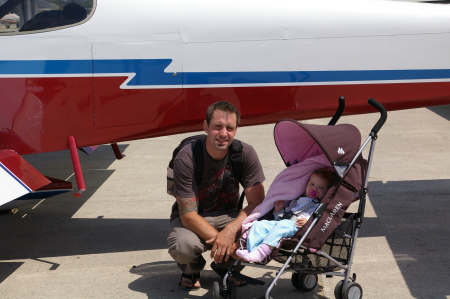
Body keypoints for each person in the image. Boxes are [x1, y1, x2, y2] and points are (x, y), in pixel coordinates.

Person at [167, 101, 266, 290]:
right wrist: (222, 240)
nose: (223, 134)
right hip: (195, 216)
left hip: (229, 215)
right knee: (183, 246)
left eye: (230, 128)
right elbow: (188, 215)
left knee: (259, 233)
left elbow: (257, 201)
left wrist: (230, 230)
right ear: (205, 126)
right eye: (217, 127)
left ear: (236, 129)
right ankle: (191, 269)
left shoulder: (245, 153)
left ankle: (228, 267)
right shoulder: (186, 157)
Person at [236, 168, 336, 263]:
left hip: (298, 230)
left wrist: (308, 223)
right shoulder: (297, 200)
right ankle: (251, 249)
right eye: (312, 184)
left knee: (282, 226)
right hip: (285, 224)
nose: (314, 188)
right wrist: (279, 211)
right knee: (260, 224)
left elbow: (321, 223)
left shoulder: (319, 206)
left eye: (321, 187)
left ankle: (262, 253)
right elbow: (283, 218)